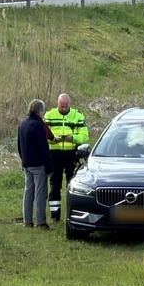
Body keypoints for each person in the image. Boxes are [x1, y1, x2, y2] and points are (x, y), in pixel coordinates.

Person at [44, 93, 89, 222]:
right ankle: (55, 216)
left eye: (65, 106)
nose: (63, 109)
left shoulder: (77, 116)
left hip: (72, 155)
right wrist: (54, 140)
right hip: (55, 154)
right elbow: (44, 137)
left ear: (69, 105)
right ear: (57, 104)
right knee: (55, 185)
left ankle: (73, 214)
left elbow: (85, 137)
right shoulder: (49, 116)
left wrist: (73, 138)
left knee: (73, 185)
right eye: (61, 106)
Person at [18, 99, 53, 230]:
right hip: (38, 165)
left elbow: (19, 146)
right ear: (39, 111)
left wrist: (24, 160)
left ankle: (27, 221)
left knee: (28, 193)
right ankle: (41, 222)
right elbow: (43, 148)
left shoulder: (22, 124)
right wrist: (49, 167)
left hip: (27, 164)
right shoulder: (38, 126)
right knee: (40, 194)